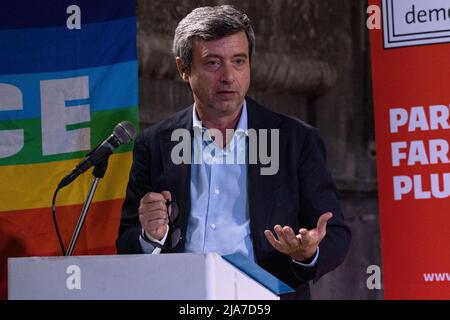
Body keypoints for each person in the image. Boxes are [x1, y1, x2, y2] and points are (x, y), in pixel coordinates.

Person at [117, 5, 350, 300]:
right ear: (183, 69)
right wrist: (151, 236)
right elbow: (127, 242)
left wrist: (308, 253)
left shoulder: (295, 140)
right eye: (213, 63)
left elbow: (336, 235)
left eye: (238, 61)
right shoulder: (155, 143)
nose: (228, 76)